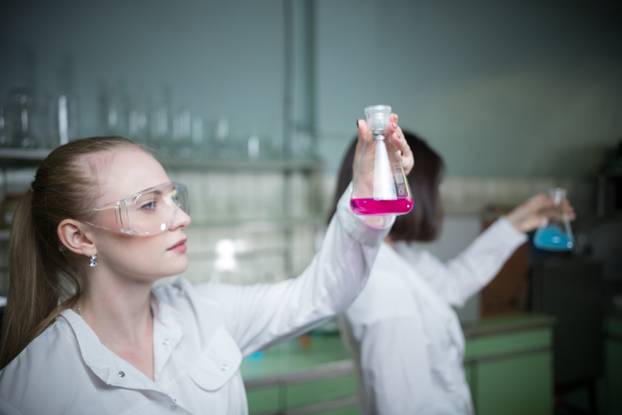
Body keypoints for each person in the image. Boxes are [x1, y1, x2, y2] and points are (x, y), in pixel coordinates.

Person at [0, 115, 414, 415]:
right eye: (148, 205)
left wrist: (364, 194)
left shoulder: (208, 312)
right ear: (81, 237)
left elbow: (320, 294)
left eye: (173, 198)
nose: (181, 218)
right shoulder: (32, 386)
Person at [329, 130, 576, 415]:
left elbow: (454, 282)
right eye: (435, 187)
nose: (438, 199)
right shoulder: (382, 285)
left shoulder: (397, 257)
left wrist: (519, 221)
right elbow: (400, 407)